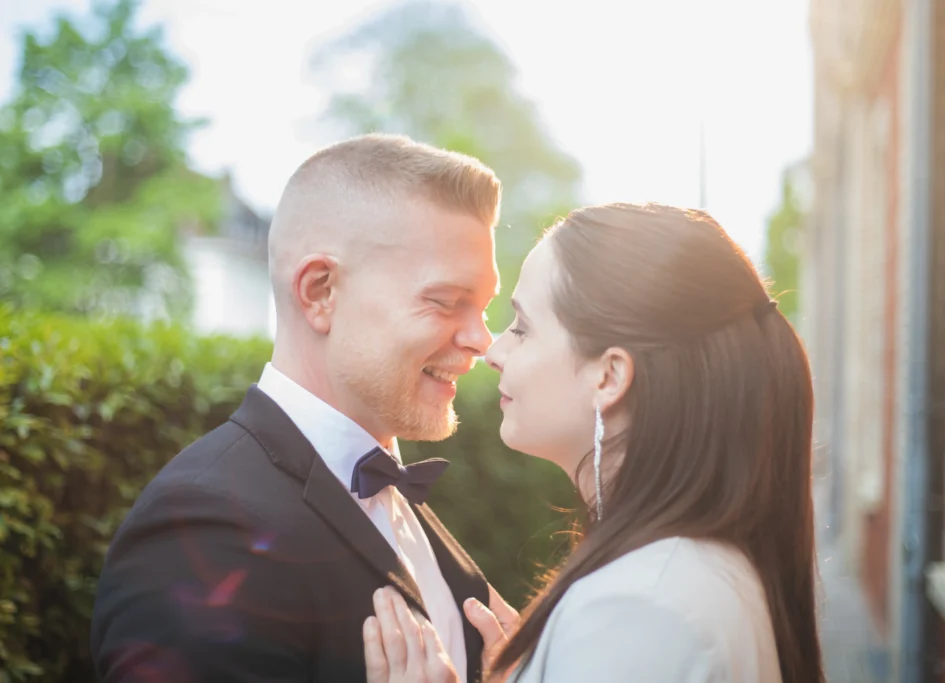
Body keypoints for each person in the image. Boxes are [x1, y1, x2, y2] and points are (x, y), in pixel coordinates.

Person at [91, 134, 513, 683]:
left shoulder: (393, 494)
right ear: (319, 292)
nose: (482, 339)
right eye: (446, 302)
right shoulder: (208, 530)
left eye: (482, 307)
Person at [363, 203, 824, 683]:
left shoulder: (638, 610)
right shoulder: (681, 575)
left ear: (610, 375)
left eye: (521, 327)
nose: (493, 351)